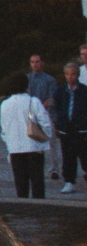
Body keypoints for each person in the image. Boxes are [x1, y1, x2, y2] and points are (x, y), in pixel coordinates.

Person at [0, 71, 55, 199]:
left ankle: (23, 209)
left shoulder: (4, 105)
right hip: (34, 147)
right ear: (26, 85)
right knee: (37, 182)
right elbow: (45, 122)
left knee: (20, 184)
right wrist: (45, 137)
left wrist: (9, 144)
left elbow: (4, 129)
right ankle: (40, 210)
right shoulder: (33, 101)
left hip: (15, 149)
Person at [52, 61, 87, 194]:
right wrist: (57, 125)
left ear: (77, 75)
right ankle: (69, 181)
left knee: (84, 156)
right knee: (68, 157)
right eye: (67, 74)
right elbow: (56, 109)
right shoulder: (60, 91)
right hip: (66, 129)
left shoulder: (84, 91)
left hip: (81, 129)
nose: (70, 77)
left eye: (73, 74)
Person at [26, 55, 60, 181]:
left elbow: (52, 98)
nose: (35, 64)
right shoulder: (27, 79)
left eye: (37, 62)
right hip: (31, 115)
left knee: (51, 143)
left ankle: (54, 169)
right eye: (32, 62)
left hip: (45, 113)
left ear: (42, 63)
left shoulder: (49, 80)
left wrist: (40, 108)